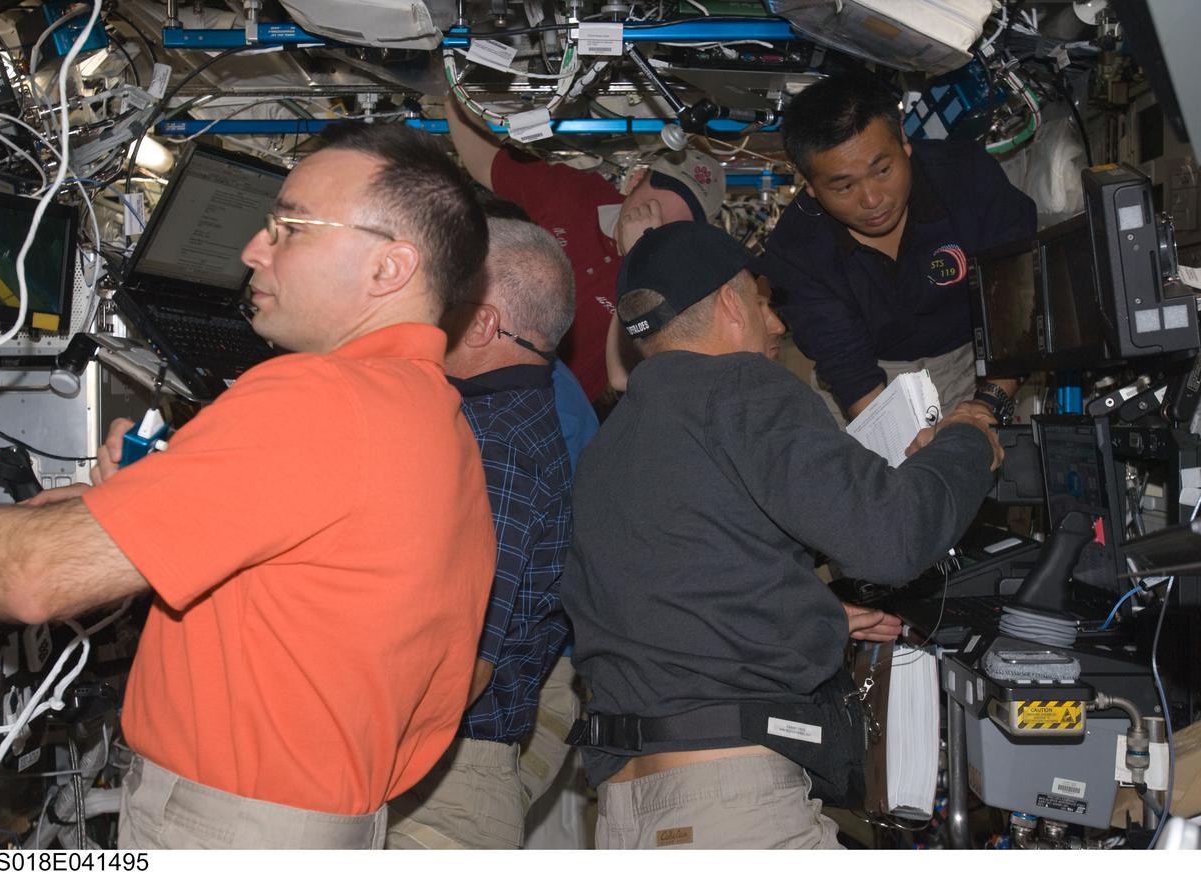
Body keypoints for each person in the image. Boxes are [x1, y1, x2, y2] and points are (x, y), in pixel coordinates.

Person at [0, 123, 498, 849]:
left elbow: (34, 575)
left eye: (288, 228)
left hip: (228, 828)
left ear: (389, 268)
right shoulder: (429, 416)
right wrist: (121, 503)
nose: (254, 250)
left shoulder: (320, 399)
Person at [561, 221, 1004, 849]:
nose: (777, 324)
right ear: (728, 302)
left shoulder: (611, 446)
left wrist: (812, 615)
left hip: (628, 810)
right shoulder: (740, 387)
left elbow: (671, 597)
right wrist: (965, 439)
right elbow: (893, 536)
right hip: (730, 805)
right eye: (764, 301)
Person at [387, 214, 576, 849]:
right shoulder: (497, 420)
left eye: (443, 293)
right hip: (440, 767)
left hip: (442, 779)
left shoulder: (495, 444)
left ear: (484, 321)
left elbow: (462, 660)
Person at [759, 72, 1038, 428]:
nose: (873, 200)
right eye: (844, 187)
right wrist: (899, 440)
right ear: (809, 184)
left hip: (974, 360)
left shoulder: (967, 179)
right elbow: (848, 369)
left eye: (883, 170)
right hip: (867, 382)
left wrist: (986, 404)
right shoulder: (796, 250)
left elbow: (1018, 300)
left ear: (904, 141)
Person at [444, 93, 726, 406]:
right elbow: (486, 162)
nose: (661, 218)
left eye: (681, 219)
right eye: (659, 199)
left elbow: (625, 376)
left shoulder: (671, 288)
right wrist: (452, 90)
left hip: (546, 416)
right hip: (459, 376)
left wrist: (638, 262)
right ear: (634, 182)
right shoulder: (574, 193)